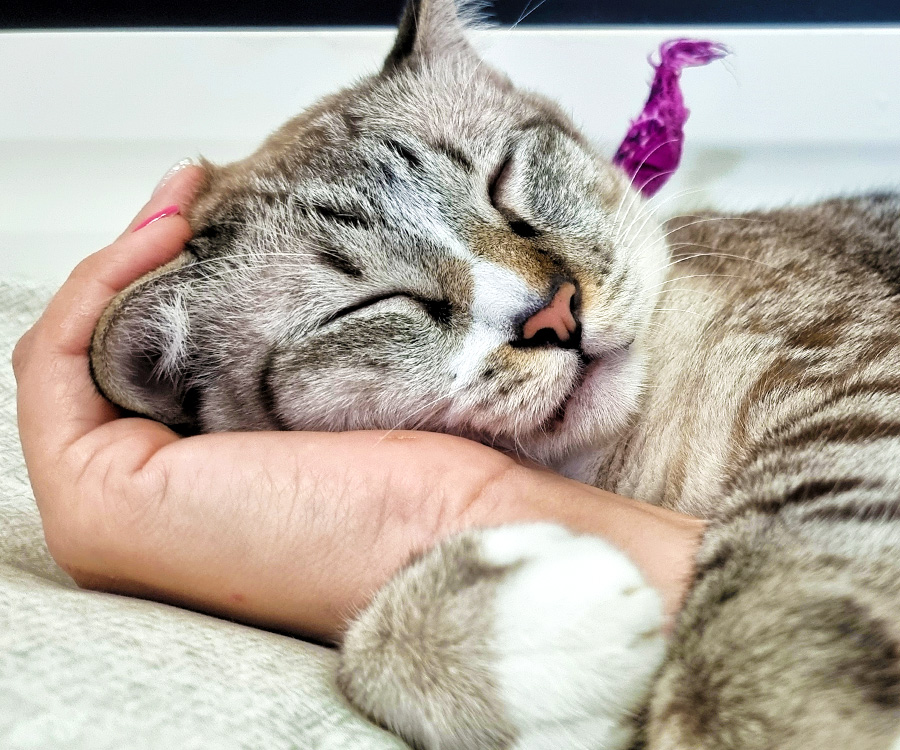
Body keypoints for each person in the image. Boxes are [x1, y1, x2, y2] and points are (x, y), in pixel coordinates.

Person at [12, 163, 705, 643]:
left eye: (505, 193)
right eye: (382, 305)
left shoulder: (716, 303)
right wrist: (447, 513)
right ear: (185, 379)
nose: (548, 308)